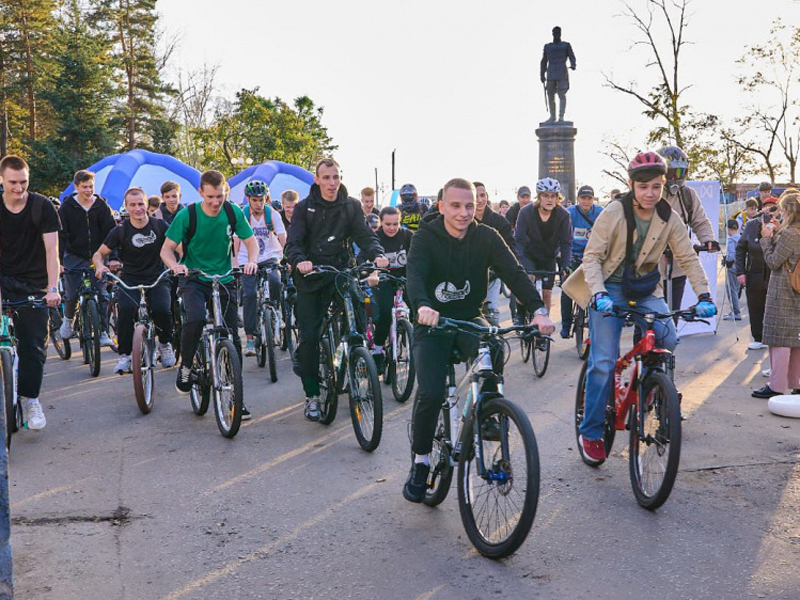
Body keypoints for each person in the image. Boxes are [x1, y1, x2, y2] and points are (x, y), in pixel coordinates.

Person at [401, 178, 555, 503]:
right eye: (455, 206)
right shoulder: (426, 237)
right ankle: (420, 461)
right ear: (441, 206)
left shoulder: (486, 236)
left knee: (496, 345)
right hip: (433, 322)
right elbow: (414, 276)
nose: (463, 213)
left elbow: (514, 273)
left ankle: (486, 413)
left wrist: (539, 310)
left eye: (469, 205)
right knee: (430, 391)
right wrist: (423, 306)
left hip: (469, 318)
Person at [562, 152, 715, 462]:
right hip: (608, 288)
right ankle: (590, 432)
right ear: (631, 185)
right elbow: (591, 257)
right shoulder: (614, 213)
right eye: (643, 187)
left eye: (656, 186)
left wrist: (705, 296)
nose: (650, 193)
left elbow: (687, 257)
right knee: (603, 361)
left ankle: (650, 387)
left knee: (668, 338)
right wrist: (599, 292)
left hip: (646, 287)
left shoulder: (669, 216)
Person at [284, 158, 388, 421]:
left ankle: (355, 353)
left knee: (361, 316)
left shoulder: (351, 205)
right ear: (317, 180)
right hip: (312, 277)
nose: (332, 183)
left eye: (336, 177)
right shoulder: (304, 208)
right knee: (309, 336)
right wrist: (300, 262)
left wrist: (377, 254)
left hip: (342, 273)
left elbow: (365, 236)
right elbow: (292, 243)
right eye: (326, 177)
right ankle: (312, 395)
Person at [160, 170, 259, 413]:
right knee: (194, 319)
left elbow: (251, 242)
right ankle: (186, 365)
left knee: (232, 338)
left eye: (220, 196)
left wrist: (252, 261)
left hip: (224, 277)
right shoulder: (188, 215)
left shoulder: (232, 211)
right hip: (193, 277)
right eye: (211, 197)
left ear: (226, 191)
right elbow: (166, 250)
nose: (216, 202)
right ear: (200, 192)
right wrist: (176, 266)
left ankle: (237, 398)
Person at [0, 155, 62, 431]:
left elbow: (52, 252)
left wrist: (52, 287)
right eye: (12, 182)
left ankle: (29, 399)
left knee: (34, 347)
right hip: (3, 279)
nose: (18, 187)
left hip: (35, 283)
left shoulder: (42, 206)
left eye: (23, 181)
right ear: (2, 180)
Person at [92, 188, 175, 374]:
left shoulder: (160, 226)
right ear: (127, 207)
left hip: (157, 277)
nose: (137, 208)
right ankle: (125, 356)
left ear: (146, 205)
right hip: (130, 279)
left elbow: (178, 247)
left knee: (162, 309)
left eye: (140, 204)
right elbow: (99, 254)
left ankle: (164, 343)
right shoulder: (120, 231)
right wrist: (100, 266)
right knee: (127, 312)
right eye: (133, 205)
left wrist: (180, 264)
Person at [657, 146, 719, 315]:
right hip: (651, 267)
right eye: (671, 174)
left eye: (680, 173)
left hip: (678, 263)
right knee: (650, 318)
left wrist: (708, 239)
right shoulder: (652, 194)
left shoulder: (687, 195)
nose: (675, 179)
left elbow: (700, 221)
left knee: (673, 315)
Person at [58, 169, 117, 346]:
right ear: (76, 187)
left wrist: (113, 257)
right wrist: (59, 262)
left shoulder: (101, 206)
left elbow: (112, 234)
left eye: (91, 186)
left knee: (101, 294)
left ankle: (104, 332)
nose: (88, 190)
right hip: (74, 254)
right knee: (72, 293)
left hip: (98, 256)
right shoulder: (67, 207)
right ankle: (68, 320)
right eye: (84, 187)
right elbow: (61, 235)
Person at [752, 190, 800, 398]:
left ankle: (776, 385)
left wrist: (766, 239)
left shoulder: (790, 234)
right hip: (795, 289)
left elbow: (773, 261)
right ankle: (796, 383)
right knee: (794, 339)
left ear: (788, 211)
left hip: (783, 291)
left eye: (781, 210)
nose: (778, 214)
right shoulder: (794, 232)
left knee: (779, 338)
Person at [357, 205, 413, 369]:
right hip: (382, 281)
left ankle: (416, 343)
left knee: (418, 309)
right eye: (388, 224)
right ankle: (378, 350)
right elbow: (361, 259)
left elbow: (420, 255)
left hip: (404, 279)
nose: (392, 228)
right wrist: (367, 274)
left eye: (395, 224)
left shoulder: (407, 236)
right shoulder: (376, 238)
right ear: (381, 222)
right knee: (385, 312)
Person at [236, 180, 287, 357]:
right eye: (255, 200)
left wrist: (287, 256)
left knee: (275, 280)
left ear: (266, 198)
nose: (258, 203)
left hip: (270, 256)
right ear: (249, 199)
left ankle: (275, 310)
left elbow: (282, 235)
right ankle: (250, 338)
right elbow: (236, 240)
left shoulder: (272, 214)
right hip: (247, 258)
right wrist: (235, 263)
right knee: (249, 295)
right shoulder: (242, 215)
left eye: (261, 199)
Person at [514, 177, 572, 314]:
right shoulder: (526, 213)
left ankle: (544, 323)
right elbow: (519, 240)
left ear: (558, 198)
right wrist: (520, 263)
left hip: (549, 257)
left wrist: (565, 265)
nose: (549, 200)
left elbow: (566, 243)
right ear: (539, 197)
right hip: (529, 254)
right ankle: (520, 315)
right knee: (527, 282)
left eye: (553, 196)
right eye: (545, 196)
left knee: (547, 293)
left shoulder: (563, 215)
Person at [560, 184, 603, 338]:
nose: (586, 201)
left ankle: (596, 325)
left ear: (593, 199)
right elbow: (561, 232)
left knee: (597, 289)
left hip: (592, 256)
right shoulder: (569, 213)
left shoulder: (600, 213)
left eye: (589, 198)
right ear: (578, 199)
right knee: (567, 288)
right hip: (573, 255)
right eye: (583, 198)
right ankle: (566, 324)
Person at [735, 196, 777, 350]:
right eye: (767, 207)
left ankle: (772, 338)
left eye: (773, 208)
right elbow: (740, 248)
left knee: (773, 308)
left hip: (774, 273)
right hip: (754, 272)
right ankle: (758, 337)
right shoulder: (751, 225)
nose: (769, 212)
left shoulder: (780, 225)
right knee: (755, 305)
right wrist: (740, 272)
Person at [474, 181, 516, 325]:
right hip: (467, 278)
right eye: (475, 196)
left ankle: (495, 343)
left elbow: (511, 250)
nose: (479, 200)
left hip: (492, 276)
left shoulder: (499, 222)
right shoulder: (462, 220)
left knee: (492, 313)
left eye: (482, 195)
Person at [540, 26, 576, 123]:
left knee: (562, 94)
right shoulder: (548, 47)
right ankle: (552, 116)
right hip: (551, 71)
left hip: (561, 71)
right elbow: (544, 60)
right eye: (554, 32)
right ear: (552, 33)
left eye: (558, 32)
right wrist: (542, 74)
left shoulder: (565, 45)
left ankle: (561, 116)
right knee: (550, 94)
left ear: (560, 33)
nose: (556, 34)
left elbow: (571, 56)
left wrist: (573, 64)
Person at [721, 219, 743, 321]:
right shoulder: (741, 238)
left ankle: (736, 312)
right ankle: (735, 310)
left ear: (728, 229)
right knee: (736, 289)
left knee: (731, 289)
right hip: (740, 268)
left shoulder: (731, 240)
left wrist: (726, 260)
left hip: (732, 268)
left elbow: (731, 256)